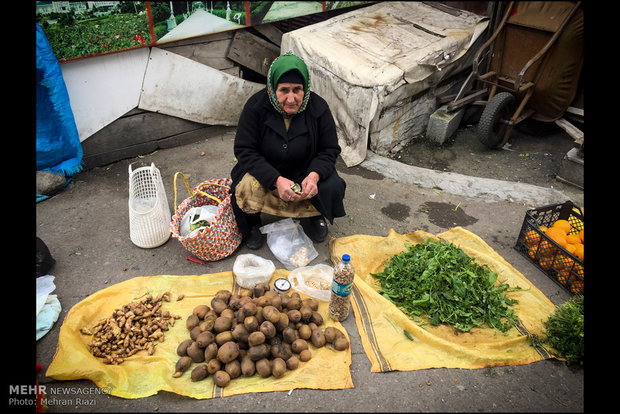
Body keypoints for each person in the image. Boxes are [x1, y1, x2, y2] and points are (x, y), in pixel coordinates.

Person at [230, 52, 346, 249]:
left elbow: (329, 149)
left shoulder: (319, 108)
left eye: (297, 90)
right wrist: (276, 179)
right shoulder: (255, 107)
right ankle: (251, 224)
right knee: (245, 187)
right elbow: (244, 150)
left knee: (332, 185)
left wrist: (314, 176)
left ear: (305, 88)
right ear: (272, 89)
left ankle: (316, 215)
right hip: (267, 170)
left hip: (305, 169)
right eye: (284, 90)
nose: (291, 99)